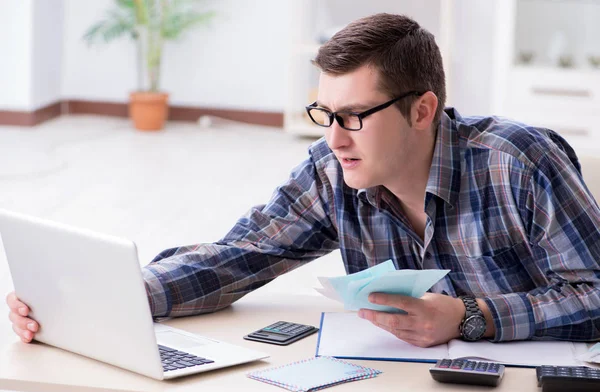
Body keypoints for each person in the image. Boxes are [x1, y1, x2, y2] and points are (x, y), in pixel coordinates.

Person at [7, 13, 600, 348]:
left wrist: (472, 315)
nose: (334, 138)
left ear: (422, 110)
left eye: (354, 117)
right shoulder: (333, 168)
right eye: (325, 114)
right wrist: (114, 295)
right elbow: (242, 254)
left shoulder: (518, 163)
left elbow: (594, 292)